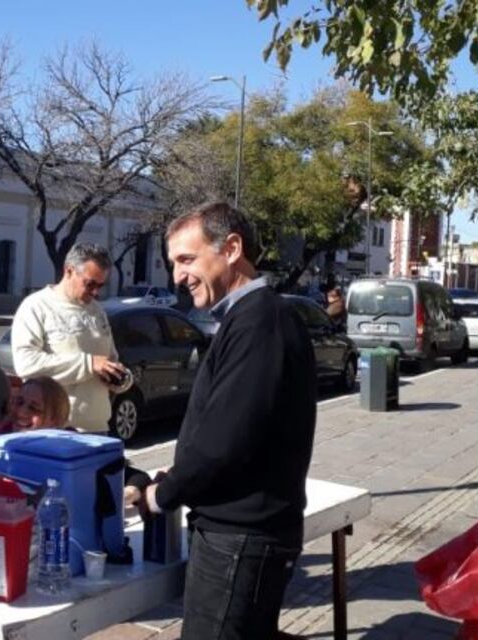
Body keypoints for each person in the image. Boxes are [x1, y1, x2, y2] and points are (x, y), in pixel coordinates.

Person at [144, 201, 317, 640]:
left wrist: (162, 494)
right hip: (237, 533)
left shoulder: (260, 321)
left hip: (240, 538)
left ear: (232, 248)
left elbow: (224, 440)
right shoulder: (251, 319)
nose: (178, 276)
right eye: (173, 264)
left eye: (186, 259)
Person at [0, 376, 151, 508]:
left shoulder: (71, 445)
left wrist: (126, 495)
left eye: (33, 408)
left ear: (55, 418)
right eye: (19, 402)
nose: (21, 412)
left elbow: (136, 476)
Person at [11, 243, 132, 432]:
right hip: (58, 429)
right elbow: (26, 364)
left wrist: (120, 378)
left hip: (99, 429)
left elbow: (110, 360)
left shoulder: (97, 311)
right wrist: (88, 364)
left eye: (100, 286)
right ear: (69, 271)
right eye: (90, 284)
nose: (95, 292)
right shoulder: (36, 306)